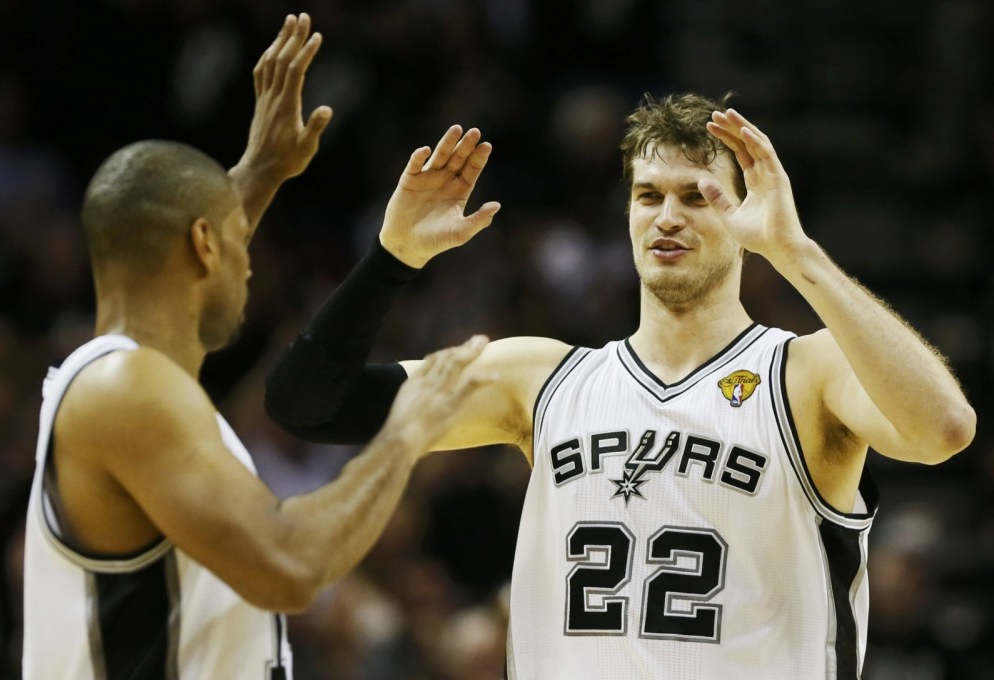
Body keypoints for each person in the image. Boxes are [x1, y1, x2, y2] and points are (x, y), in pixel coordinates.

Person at [264, 92, 977, 679]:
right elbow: (306, 405)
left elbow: (942, 428)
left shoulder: (804, 373)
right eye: (647, 195)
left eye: (697, 198)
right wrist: (390, 260)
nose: (666, 215)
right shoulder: (537, 379)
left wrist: (797, 253)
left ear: (745, 214)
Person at [22, 14, 491, 680]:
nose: (252, 272)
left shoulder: (116, 381)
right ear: (208, 246)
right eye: (241, 252)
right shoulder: (122, 392)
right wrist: (406, 433)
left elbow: (178, 257)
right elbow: (290, 568)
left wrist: (262, 169)